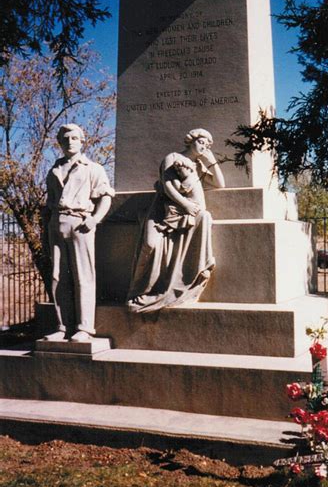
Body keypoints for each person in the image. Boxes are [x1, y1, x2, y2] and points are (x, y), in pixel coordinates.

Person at [127, 128, 225, 312]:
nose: (204, 146)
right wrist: (185, 204)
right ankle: (138, 290)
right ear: (191, 140)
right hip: (163, 212)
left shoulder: (198, 166)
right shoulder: (173, 158)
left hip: (188, 215)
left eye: (208, 145)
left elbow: (220, 184)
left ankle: (179, 282)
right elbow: (168, 186)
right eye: (201, 141)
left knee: (203, 218)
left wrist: (212, 162)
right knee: (150, 245)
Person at [43, 123, 114, 342]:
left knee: (83, 275)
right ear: (60, 142)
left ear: (82, 141)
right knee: (57, 277)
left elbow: (106, 195)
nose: (70, 142)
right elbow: (49, 202)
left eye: (74, 138)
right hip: (57, 223)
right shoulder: (54, 169)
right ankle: (63, 326)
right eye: (65, 138)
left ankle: (85, 327)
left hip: (81, 222)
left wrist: (94, 219)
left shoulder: (93, 168)